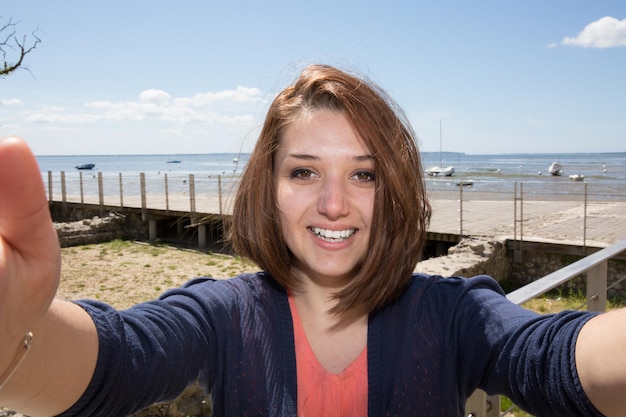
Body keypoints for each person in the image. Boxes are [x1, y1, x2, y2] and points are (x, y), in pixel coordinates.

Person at [0, 64, 624, 417]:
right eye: (303, 171)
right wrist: (16, 334)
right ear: (267, 188)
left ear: (394, 189)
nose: (333, 203)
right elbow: (117, 360)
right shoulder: (225, 316)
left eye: (364, 173)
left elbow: (556, 357)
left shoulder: (451, 314)